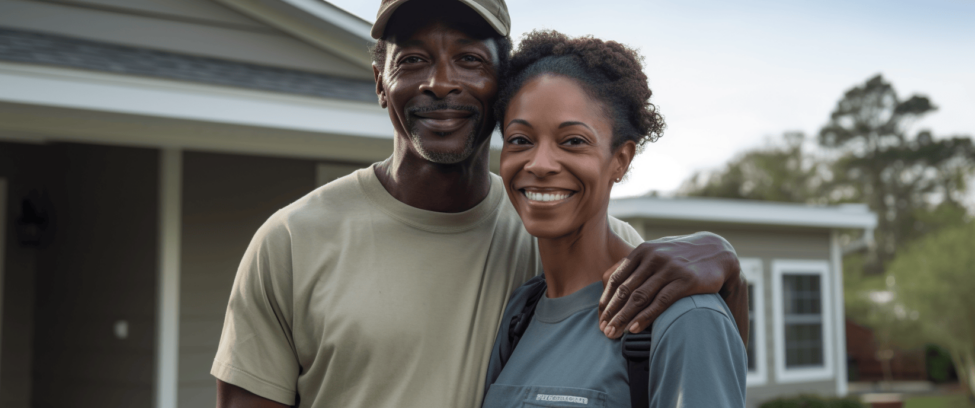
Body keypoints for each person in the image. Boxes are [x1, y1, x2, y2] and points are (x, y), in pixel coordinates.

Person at [213, 1, 748, 407]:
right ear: (380, 81)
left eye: (468, 59)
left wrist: (725, 264)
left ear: (501, 85)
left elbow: (699, 349)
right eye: (413, 59)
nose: (440, 82)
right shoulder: (291, 241)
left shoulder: (564, 233)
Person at [483, 31, 747, 408]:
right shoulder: (520, 315)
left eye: (573, 141)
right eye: (520, 140)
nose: (539, 164)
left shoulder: (682, 316)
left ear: (620, 160)